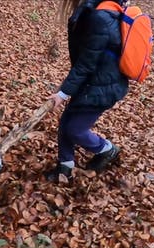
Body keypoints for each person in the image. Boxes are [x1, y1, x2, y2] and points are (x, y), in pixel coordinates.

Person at [45, 0, 129, 183]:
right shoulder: (93, 10)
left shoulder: (100, 17)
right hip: (91, 82)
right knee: (66, 123)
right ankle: (65, 168)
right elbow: (85, 58)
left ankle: (108, 150)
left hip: (102, 87)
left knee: (75, 129)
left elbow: (86, 63)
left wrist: (63, 93)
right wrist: (68, 86)